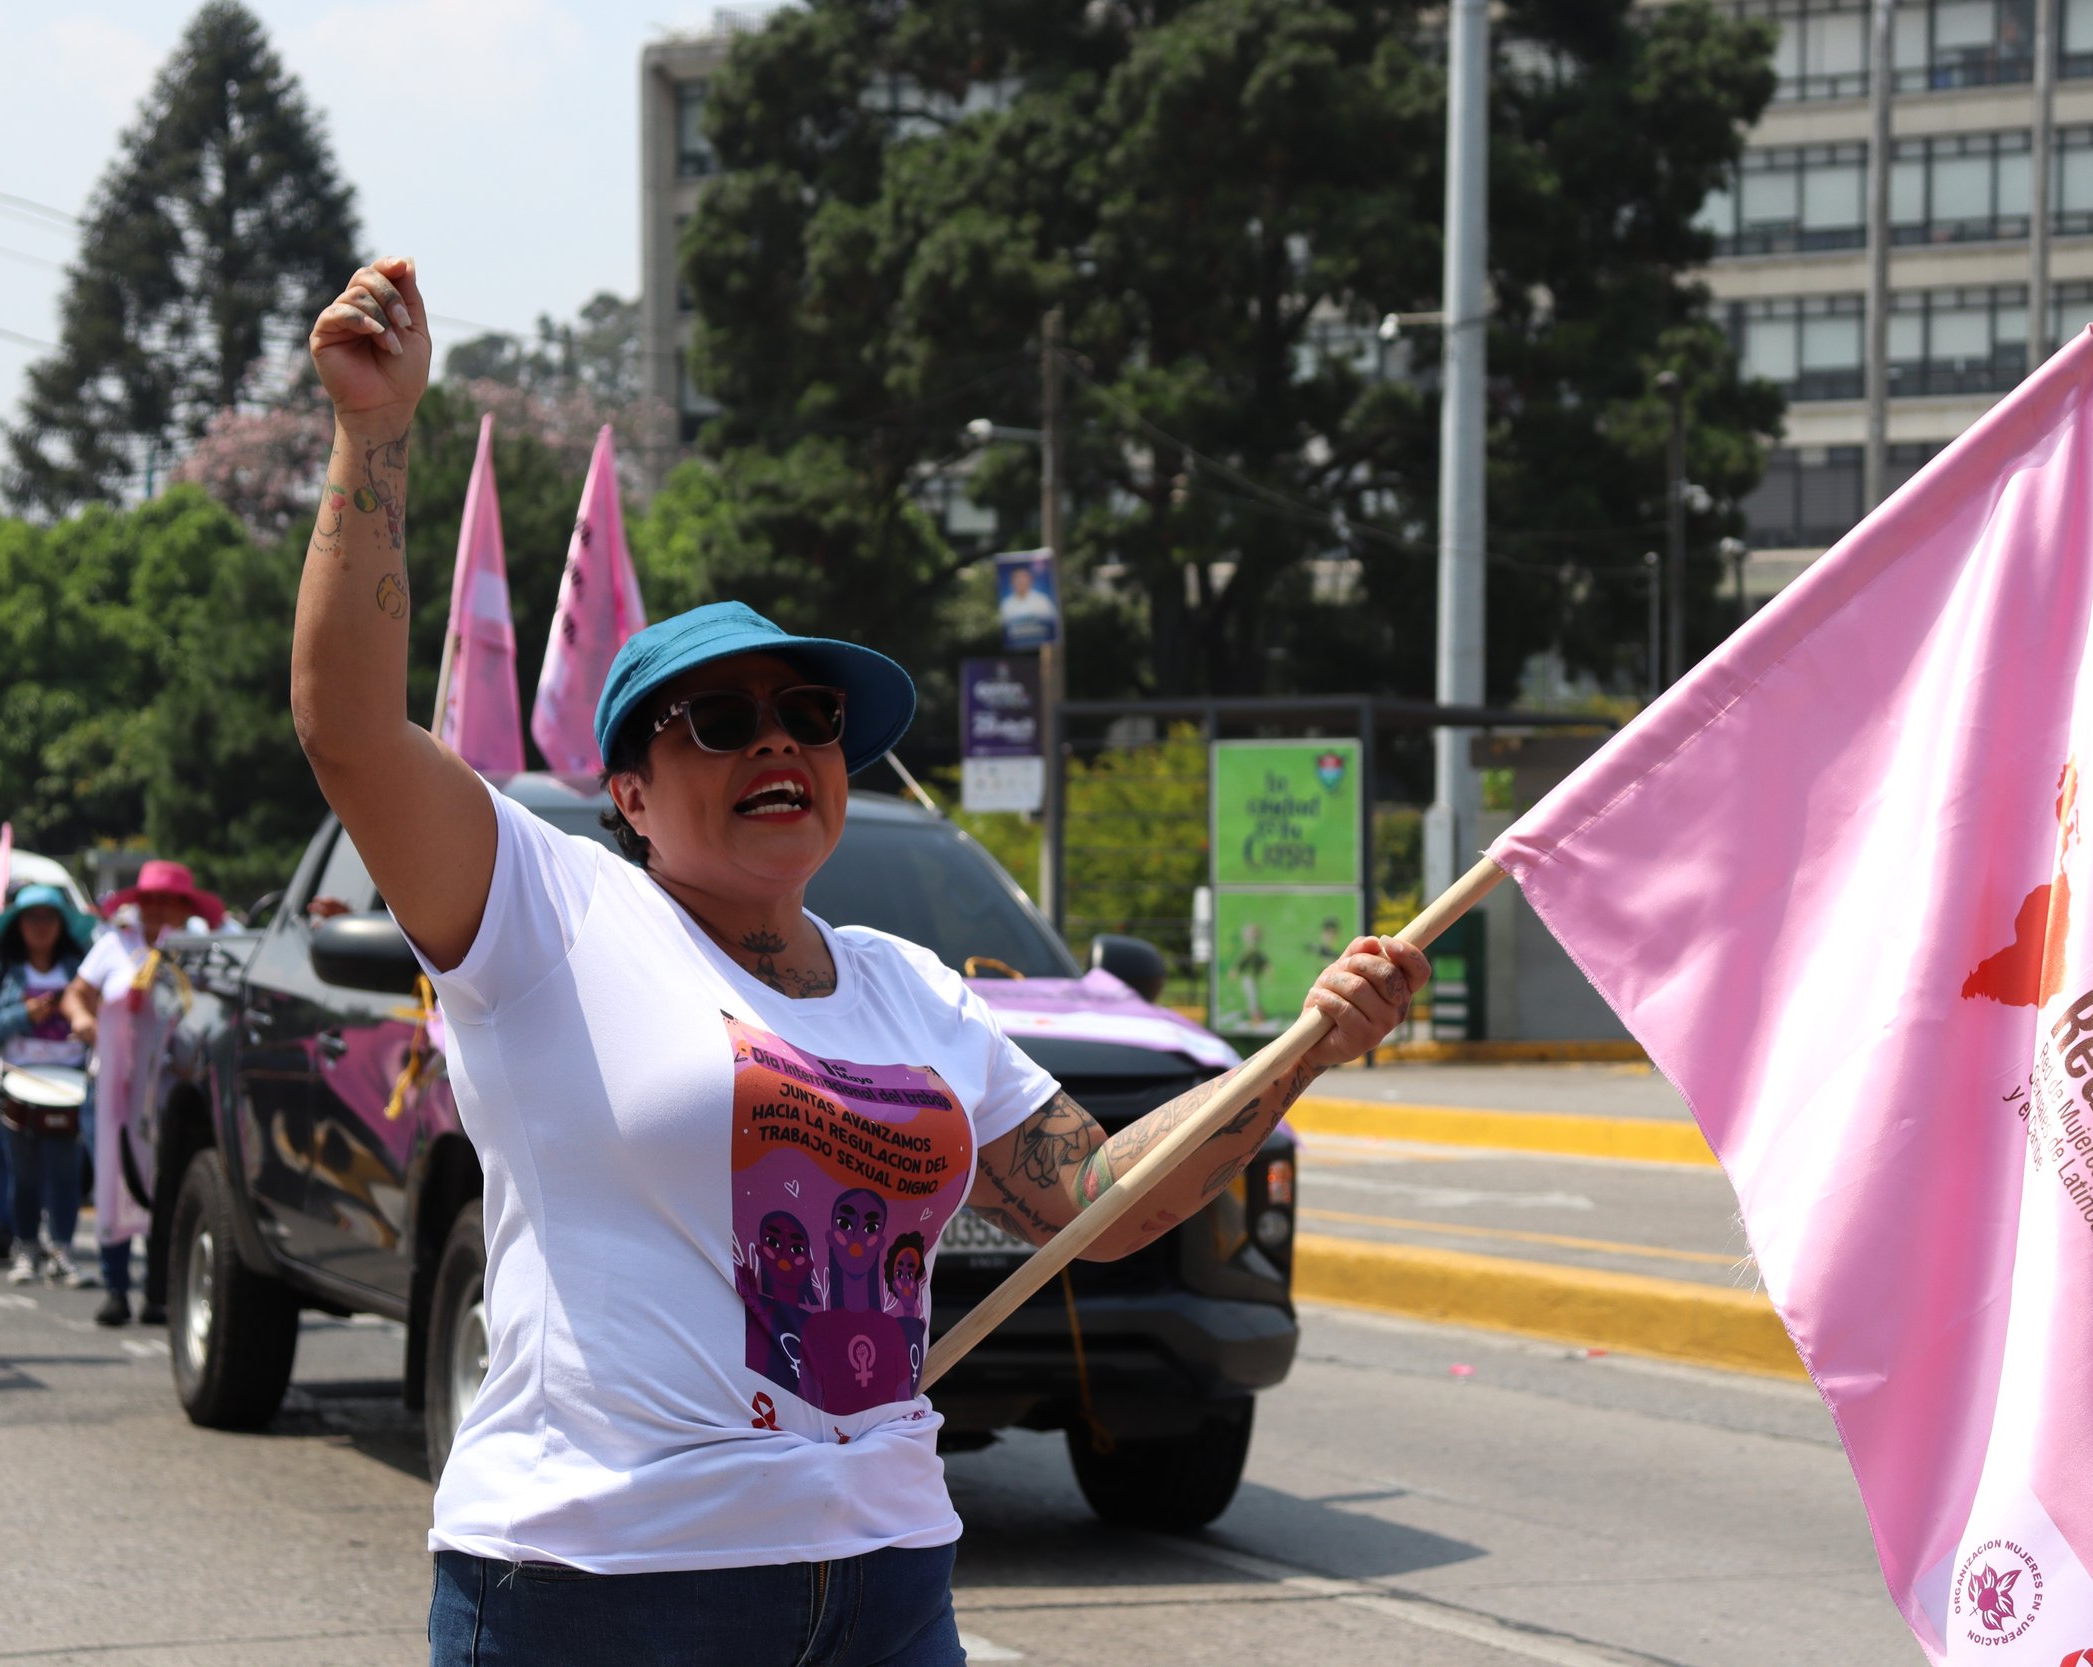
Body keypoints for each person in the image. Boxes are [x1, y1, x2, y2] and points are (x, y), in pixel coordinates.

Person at [294, 258, 1429, 1667]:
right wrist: (374, 433)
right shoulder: (549, 910)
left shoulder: (912, 985)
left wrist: (1308, 1043)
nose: (777, 740)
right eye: (717, 719)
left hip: (883, 1578)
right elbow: (350, 726)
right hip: (605, 1585)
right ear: (632, 794)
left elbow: (1103, 1203)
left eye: (809, 713)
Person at [63, 860, 220, 1327]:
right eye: (147, 899)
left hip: (171, 1091)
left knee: (165, 1182)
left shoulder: (197, 953)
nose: (154, 908)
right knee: (113, 1178)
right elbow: (78, 993)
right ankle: (116, 1287)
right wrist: (83, 1020)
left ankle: (160, 1289)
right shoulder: (114, 946)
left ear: (183, 906)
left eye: (165, 900)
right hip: (114, 1088)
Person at [0, 885, 100, 1288]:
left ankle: (62, 1249)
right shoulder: (0, 970)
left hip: (71, 1084)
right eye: (31, 918)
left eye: (49, 917)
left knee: (65, 1171)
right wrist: (22, 1014)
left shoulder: (80, 969)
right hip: (17, 1083)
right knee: (22, 1174)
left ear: (62, 924)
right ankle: (25, 1247)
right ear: (17, 924)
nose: (40, 927)